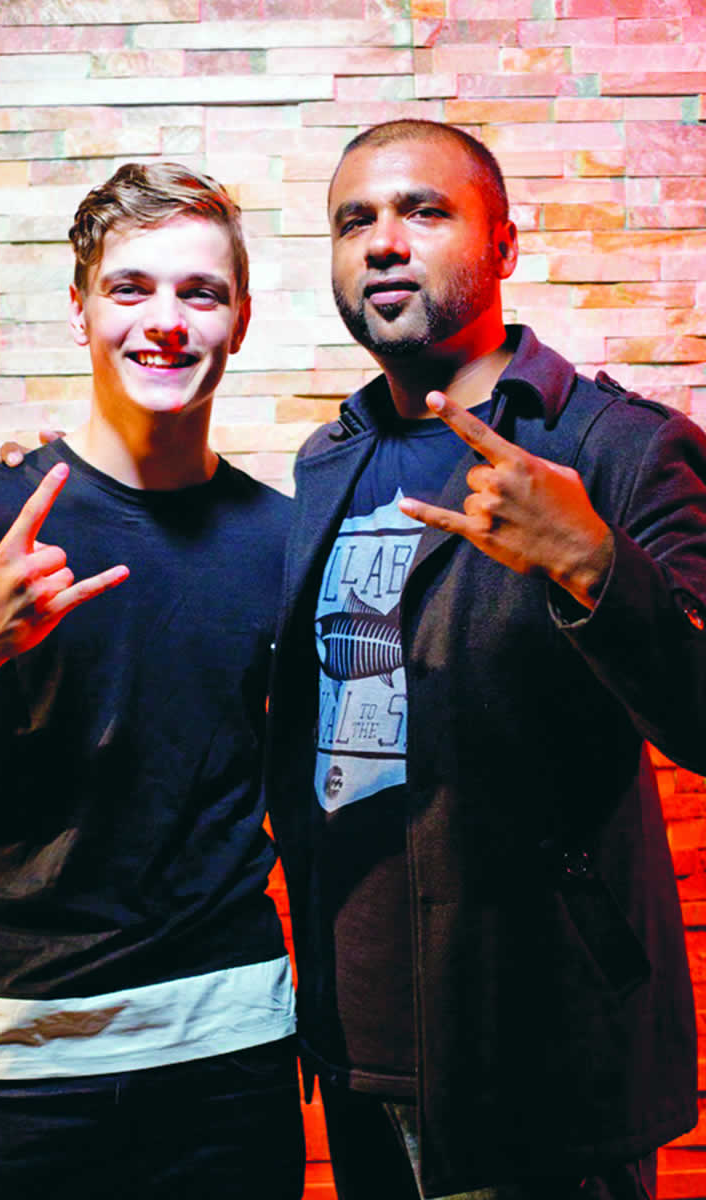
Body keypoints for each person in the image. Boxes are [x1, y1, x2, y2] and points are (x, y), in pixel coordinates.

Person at [263, 120, 705, 1199]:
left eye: (423, 211)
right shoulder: (327, 459)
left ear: (504, 243)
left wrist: (592, 564)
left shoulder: (616, 445)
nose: (382, 241)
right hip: (356, 1047)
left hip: (541, 1054)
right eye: (353, 221)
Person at [0, 162, 304, 1200]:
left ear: (241, 320)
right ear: (80, 309)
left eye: (200, 292)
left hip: (227, 1048)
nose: (165, 321)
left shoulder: (282, 540)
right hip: (10, 1055)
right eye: (130, 288)